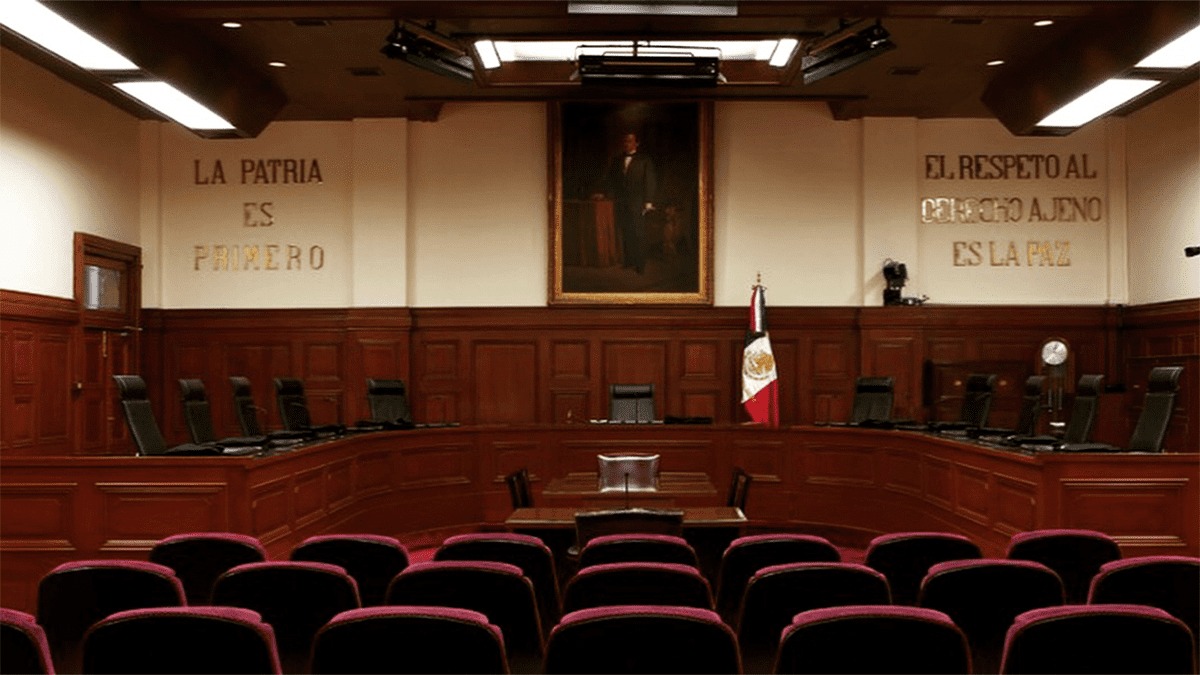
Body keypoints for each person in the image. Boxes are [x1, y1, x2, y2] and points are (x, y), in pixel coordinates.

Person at [595, 132, 656, 273]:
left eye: (630, 141)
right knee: (626, 231)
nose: (626, 144)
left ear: (637, 143)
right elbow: (611, 180)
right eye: (625, 141)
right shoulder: (617, 160)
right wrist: (603, 193)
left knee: (638, 233)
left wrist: (648, 202)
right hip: (621, 202)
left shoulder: (644, 160)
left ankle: (640, 264)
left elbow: (650, 181)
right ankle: (629, 260)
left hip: (638, 202)